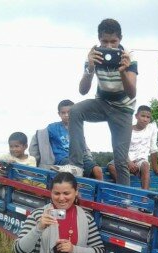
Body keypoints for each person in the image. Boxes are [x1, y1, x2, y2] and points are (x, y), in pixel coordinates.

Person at [52, 18, 137, 184]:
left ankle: (125, 200)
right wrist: (90, 68)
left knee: (121, 161)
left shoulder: (129, 56)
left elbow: (132, 92)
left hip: (123, 110)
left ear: (121, 38)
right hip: (102, 104)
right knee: (75, 110)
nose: (109, 46)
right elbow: (83, 90)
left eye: (114, 41)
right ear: (99, 39)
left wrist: (123, 71)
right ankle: (76, 165)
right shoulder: (95, 55)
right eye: (105, 41)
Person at [30, 99, 103, 180]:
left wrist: (88, 157)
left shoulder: (77, 129)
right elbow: (38, 137)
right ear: (59, 114)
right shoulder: (53, 128)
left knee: (97, 170)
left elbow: (84, 146)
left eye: (69, 112)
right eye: (63, 113)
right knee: (75, 172)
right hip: (63, 160)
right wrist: (36, 160)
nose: (66, 115)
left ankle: (99, 191)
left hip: (80, 158)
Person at [107, 105, 158, 189]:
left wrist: (155, 168)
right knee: (111, 166)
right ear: (136, 116)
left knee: (146, 165)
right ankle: (126, 190)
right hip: (125, 158)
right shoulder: (127, 130)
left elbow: (153, 148)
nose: (145, 119)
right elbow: (120, 148)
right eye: (142, 116)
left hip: (140, 160)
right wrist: (128, 162)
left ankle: (144, 196)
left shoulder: (151, 128)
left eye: (148, 117)